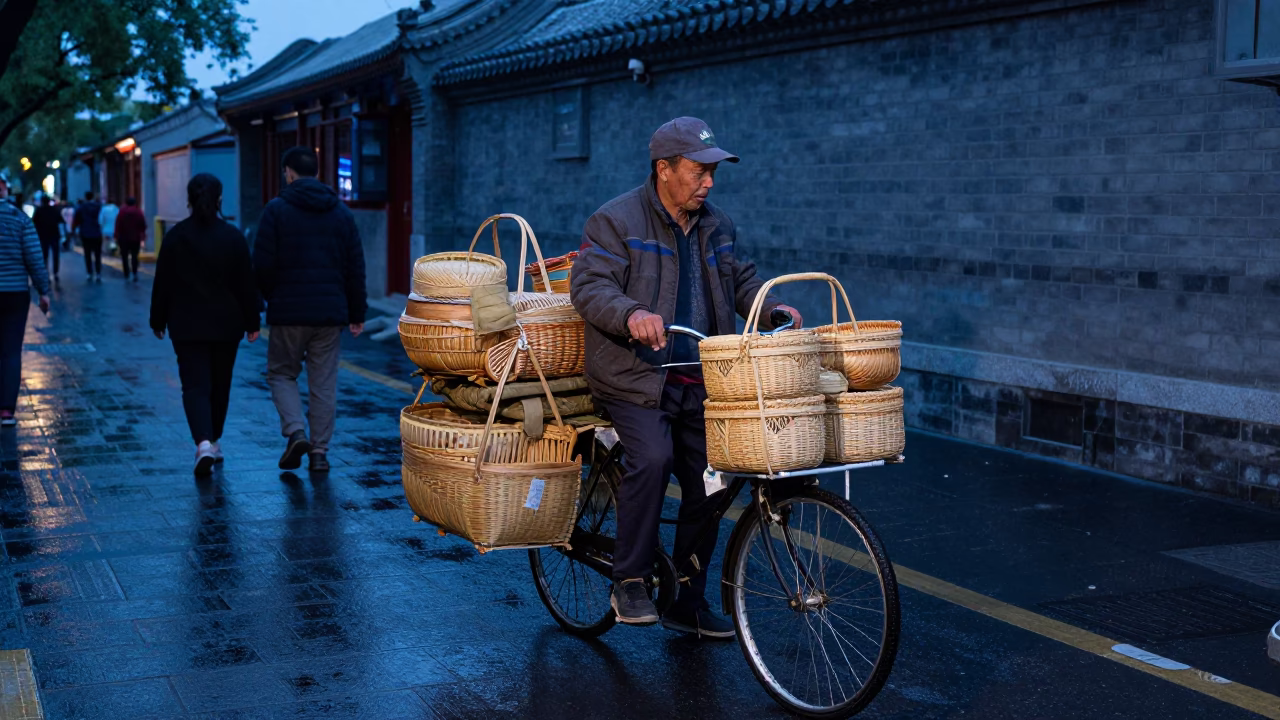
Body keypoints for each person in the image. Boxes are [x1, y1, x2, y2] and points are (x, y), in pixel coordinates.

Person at [571, 117, 802, 637]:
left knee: (717, 476)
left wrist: (767, 309)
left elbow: (740, 279)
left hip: (697, 377)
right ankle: (628, 579)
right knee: (653, 458)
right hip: (634, 376)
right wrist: (631, 314)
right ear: (664, 169)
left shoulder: (717, 224)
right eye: (700, 171)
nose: (709, 182)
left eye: (712, 171)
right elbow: (590, 286)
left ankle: (685, 597)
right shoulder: (615, 220)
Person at [254, 146, 366, 473]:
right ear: (317, 172)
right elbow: (354, 267)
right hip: (330, 314)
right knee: (323, 382)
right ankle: (319, 452)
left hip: (288, 312)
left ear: (288, 172)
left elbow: (261, 264)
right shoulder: (341, 213)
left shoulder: (275, 211)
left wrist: (269, 297)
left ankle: (295, 431)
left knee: (281, 373)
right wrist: (357, 312)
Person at [150, 174, 260, 475]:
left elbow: (163, 284)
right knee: (220, 384)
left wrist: (157, 320)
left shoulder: (175, 237)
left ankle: (203, 444)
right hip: (226, 325)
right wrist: (253, 321)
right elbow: (245, 284)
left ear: (188, 199)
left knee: (195, 386)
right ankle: (215, 440)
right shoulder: (232, 237)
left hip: (186, 325)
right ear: (219, 199)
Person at [0, 177, 52, 427]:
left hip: (14, 292)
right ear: (4, 189)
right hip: (14, 292)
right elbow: (34, 256)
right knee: (10, 351)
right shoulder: (20, 219)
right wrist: (43, 290)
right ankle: (6, 410)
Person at [72, 191, 104, 281]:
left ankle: (89, 273)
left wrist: (73, 230)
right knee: (98, 254)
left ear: (86, 197)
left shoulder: (82, 207)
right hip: (97, 232)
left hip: (85, 233)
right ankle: (98, 273)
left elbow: (76, 219)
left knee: (87, 254)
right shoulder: (98, 206)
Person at [31, 196, 62, 286]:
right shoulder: (55, 210)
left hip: (43, 235)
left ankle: (46, 274)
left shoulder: (39, 210)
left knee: (44, 256)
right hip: (54, 234)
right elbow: (60, 220)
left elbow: (34, 222)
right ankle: (55, 272)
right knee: (55, 255)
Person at [115, 197, 146, 282]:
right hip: (135, 238)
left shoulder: (122, 212)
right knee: (134, 256)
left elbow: (118, 225)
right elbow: (143, 225)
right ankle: (135, 272)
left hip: (123, 238)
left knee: (124, 256)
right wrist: (142, 236)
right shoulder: (139, 212)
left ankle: (126, 273)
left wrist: (116, 236)